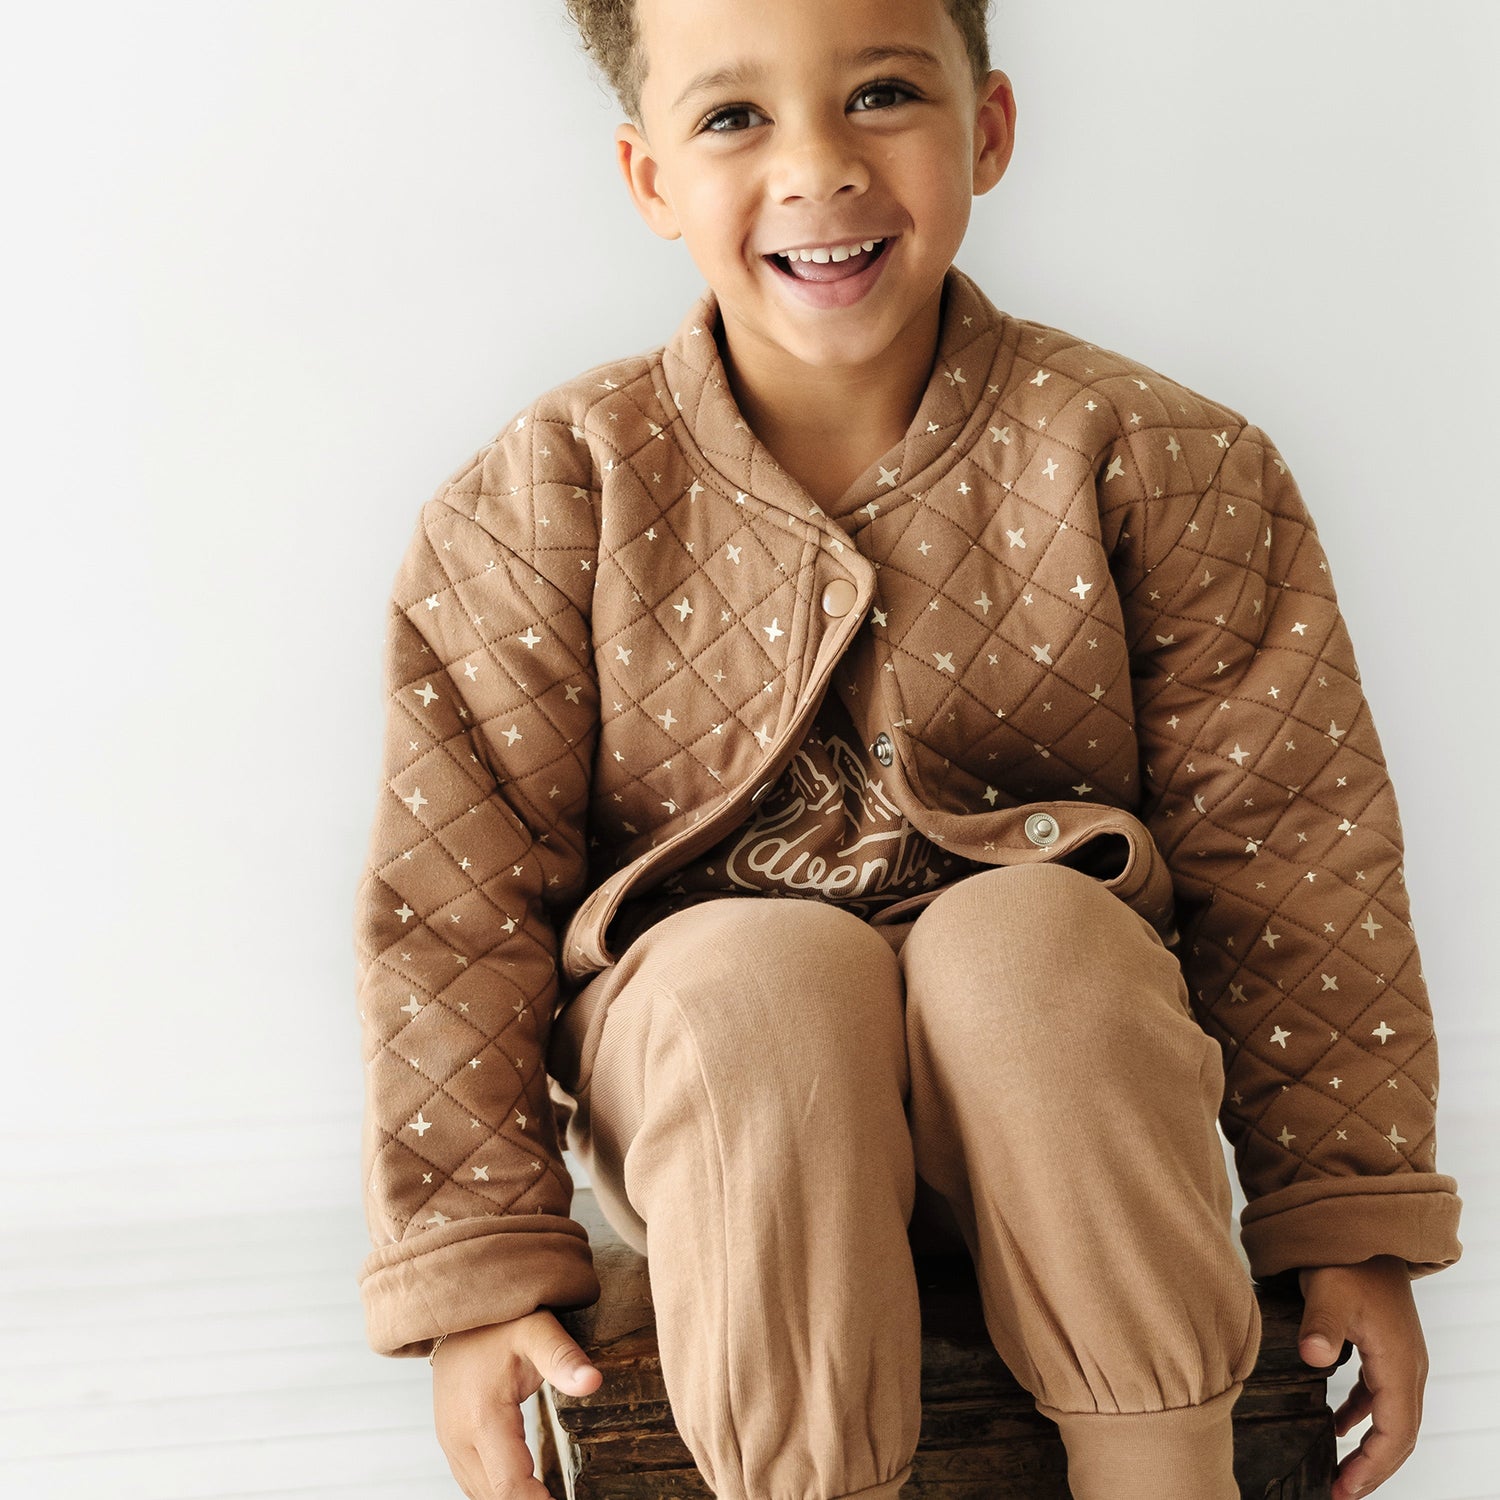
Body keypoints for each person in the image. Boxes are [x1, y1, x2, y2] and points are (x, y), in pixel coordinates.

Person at [351, 3, 1463, 1497]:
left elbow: (1296, 860)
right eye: (734, 118)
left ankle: (1160, 1469)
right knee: (759, 976)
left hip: (1076, 1104)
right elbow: (453, 912)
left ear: (987, 128)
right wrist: (476, 1274)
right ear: (651, 177)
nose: (819, 167)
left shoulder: (1173, 465)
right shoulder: (536, 505)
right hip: (731, 1112)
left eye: (881, 93)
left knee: (1026, 945)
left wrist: (1347, 1221)